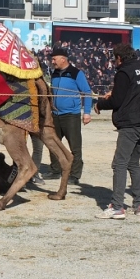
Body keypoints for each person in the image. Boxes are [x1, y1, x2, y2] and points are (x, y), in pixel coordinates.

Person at [94, 43, 140, 219]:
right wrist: (112, 94)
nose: (114, 62)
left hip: (131, 123)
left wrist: (100, 103)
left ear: (119, 58)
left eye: (115, 58)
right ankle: (139, 205)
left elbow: (117, 101)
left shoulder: (123, 72)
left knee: (119, 163)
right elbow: (132, 93)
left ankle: (117, 206)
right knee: (133, 163)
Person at [44, 47, 92, 185]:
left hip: (71, 115)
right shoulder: (54, 73)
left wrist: (87, 112)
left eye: (54, 59)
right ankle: (55, 170)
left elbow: (87, 92)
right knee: (53, 143)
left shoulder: (76, 73)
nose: (52, 61)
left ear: (63, 59)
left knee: (75, 146)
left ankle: (75, 174)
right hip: (55, 115)